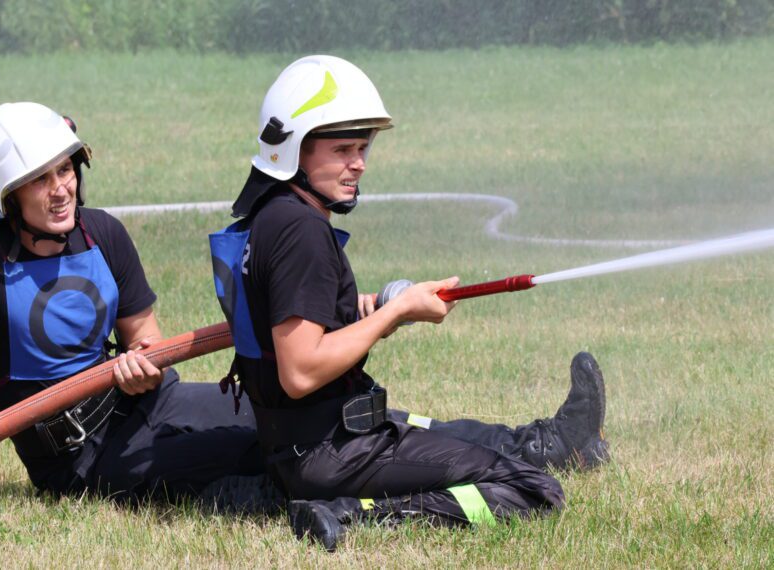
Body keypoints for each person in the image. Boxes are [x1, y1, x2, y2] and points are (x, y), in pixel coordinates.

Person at [210, 55, 610, 550]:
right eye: (342, 150)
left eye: (362, 148)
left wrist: (376, 305)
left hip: (306, 443)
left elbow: (294, 316)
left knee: (449, 433)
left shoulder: (272, 215)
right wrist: (397, 314)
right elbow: (300, 370)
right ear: (294, 150)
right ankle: (354, 516)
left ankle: (557, 443)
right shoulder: (301, 231)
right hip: (330, 453)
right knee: (532, 491)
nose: (358, 163)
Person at [0, 102, 273, 532]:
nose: (60, 189)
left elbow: (147, 340)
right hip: (80, 458)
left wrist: (145, 368)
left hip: (151, 403)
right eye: (40, 179)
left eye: (65, 170)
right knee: (251, 450)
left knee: (281, 416)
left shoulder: (104, 233)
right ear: (9, 195)